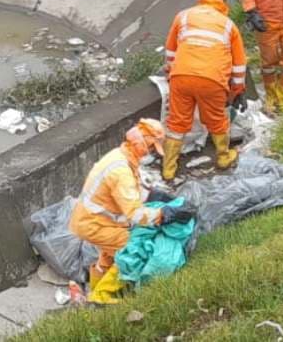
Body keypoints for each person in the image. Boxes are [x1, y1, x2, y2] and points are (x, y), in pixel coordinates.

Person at [68, 119, 195, 303]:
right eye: (151, 147)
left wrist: (155, 196)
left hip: (92, 220)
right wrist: (164, 214)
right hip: (94, 224)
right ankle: (100, 299)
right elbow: (134, 214)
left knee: (107, 255)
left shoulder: (120, 157)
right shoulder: (121, 172)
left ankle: (93, 290)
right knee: (131, 249)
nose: (151, 152)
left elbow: (130, 194)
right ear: (141, 142)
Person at [161, 0, 247, 180]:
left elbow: (170, 51)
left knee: (177, 122)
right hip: (213, 79)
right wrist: (237, 91)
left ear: (202, 0)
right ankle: (223, 158)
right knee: (217, 120)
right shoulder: (228, 25)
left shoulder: (183, 16)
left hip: (181, 76)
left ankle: (168, 170)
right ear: (223, 3)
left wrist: (171, 74)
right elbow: (239, 65)